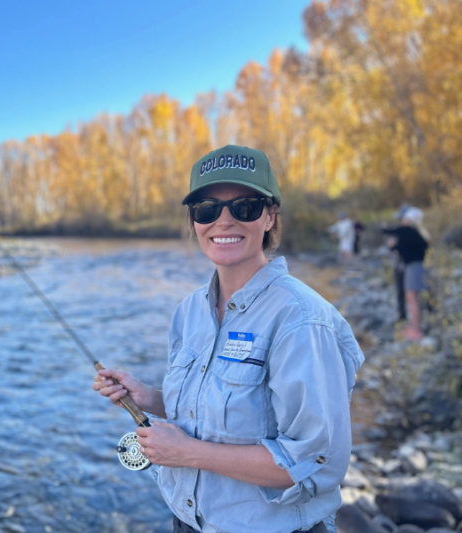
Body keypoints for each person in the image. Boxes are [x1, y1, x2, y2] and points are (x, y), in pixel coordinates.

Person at [92, 145, 364, 533]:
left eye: (245, 207)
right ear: (194, 221)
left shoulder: (302, 319)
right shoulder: (188, 311)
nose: (224, 221)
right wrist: (147, 398)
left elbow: (312, 462)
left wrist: (190, 455)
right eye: (207, 209)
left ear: (270, 216)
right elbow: (216, 410)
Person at [382, 206, 430, 341]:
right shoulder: (419, 233)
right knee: (414, 298)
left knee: (412, 298)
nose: (401, 222)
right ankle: (415, 327)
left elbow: (387, 232)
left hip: (413, 268)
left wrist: (384, 229)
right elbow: (404, 247)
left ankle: (416, 330)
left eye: (404, 219)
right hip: (419, 267)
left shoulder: (408, 231)